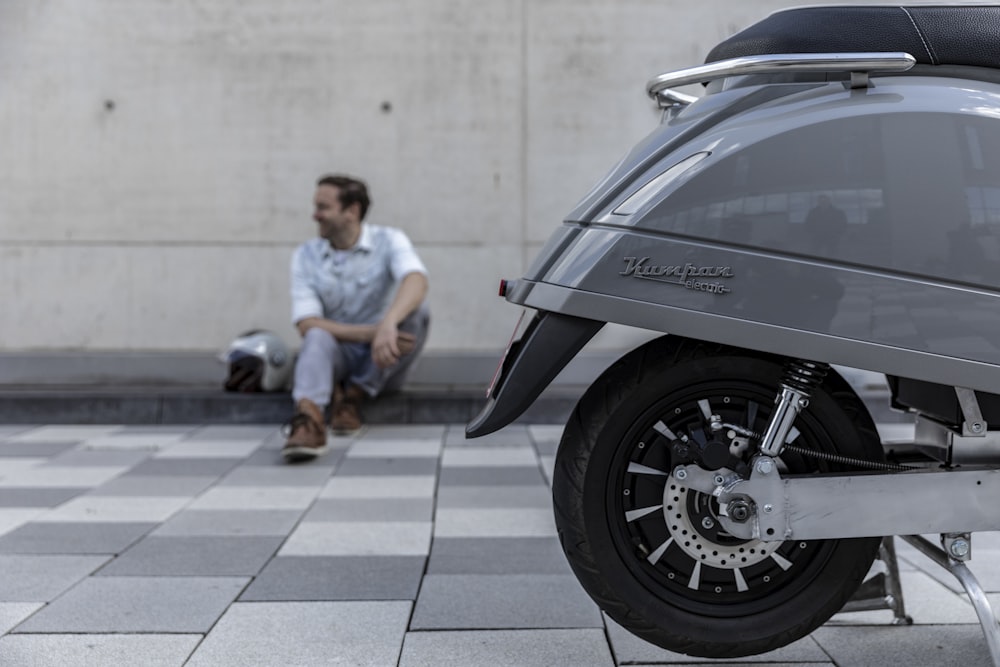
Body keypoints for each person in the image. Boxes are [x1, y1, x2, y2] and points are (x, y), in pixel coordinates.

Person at [282, 174, 430, 462]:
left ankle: (353, 398)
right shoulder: (306, 255)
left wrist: (388, 324)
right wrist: (372, 332)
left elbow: (417, 280)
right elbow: (306, 322)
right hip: (338, 355)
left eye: (323, 207)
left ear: (352, 211)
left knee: (417, 311)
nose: (315, 215)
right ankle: (309, 418)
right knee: (316, 336)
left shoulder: (389, 240)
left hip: (381, 362)